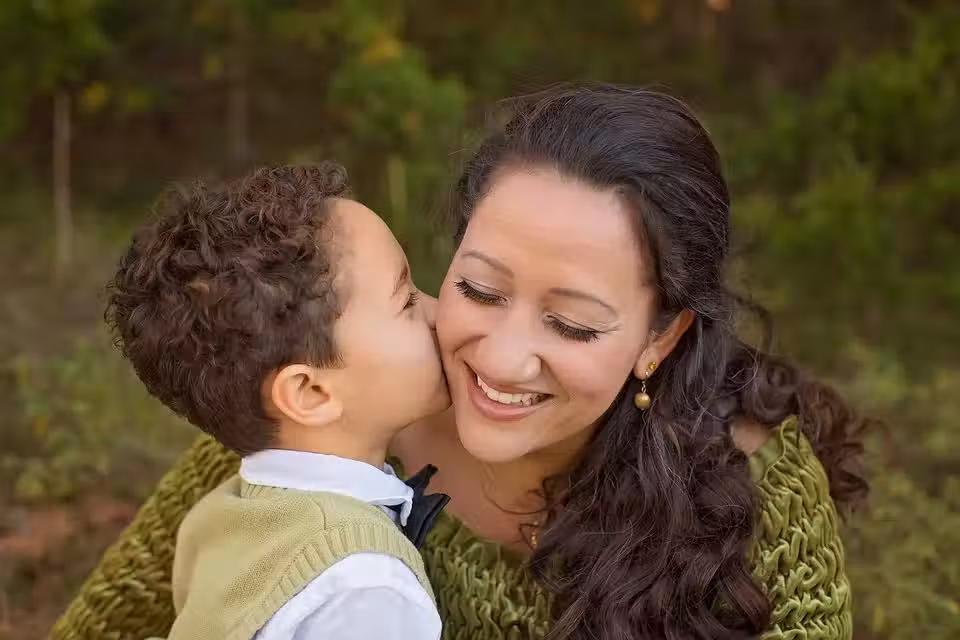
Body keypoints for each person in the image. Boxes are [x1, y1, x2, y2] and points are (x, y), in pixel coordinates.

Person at [53, 84, 869, 640]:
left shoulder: (759, 494)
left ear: (659, 338)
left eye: (573, 325)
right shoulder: (321, 427)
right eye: (479, 288)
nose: (503, 357)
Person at [101, 164, 451, 639]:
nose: (440, 311)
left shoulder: (220, 518)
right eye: (406, 301)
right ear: (310, 393)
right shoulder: (366, 589)